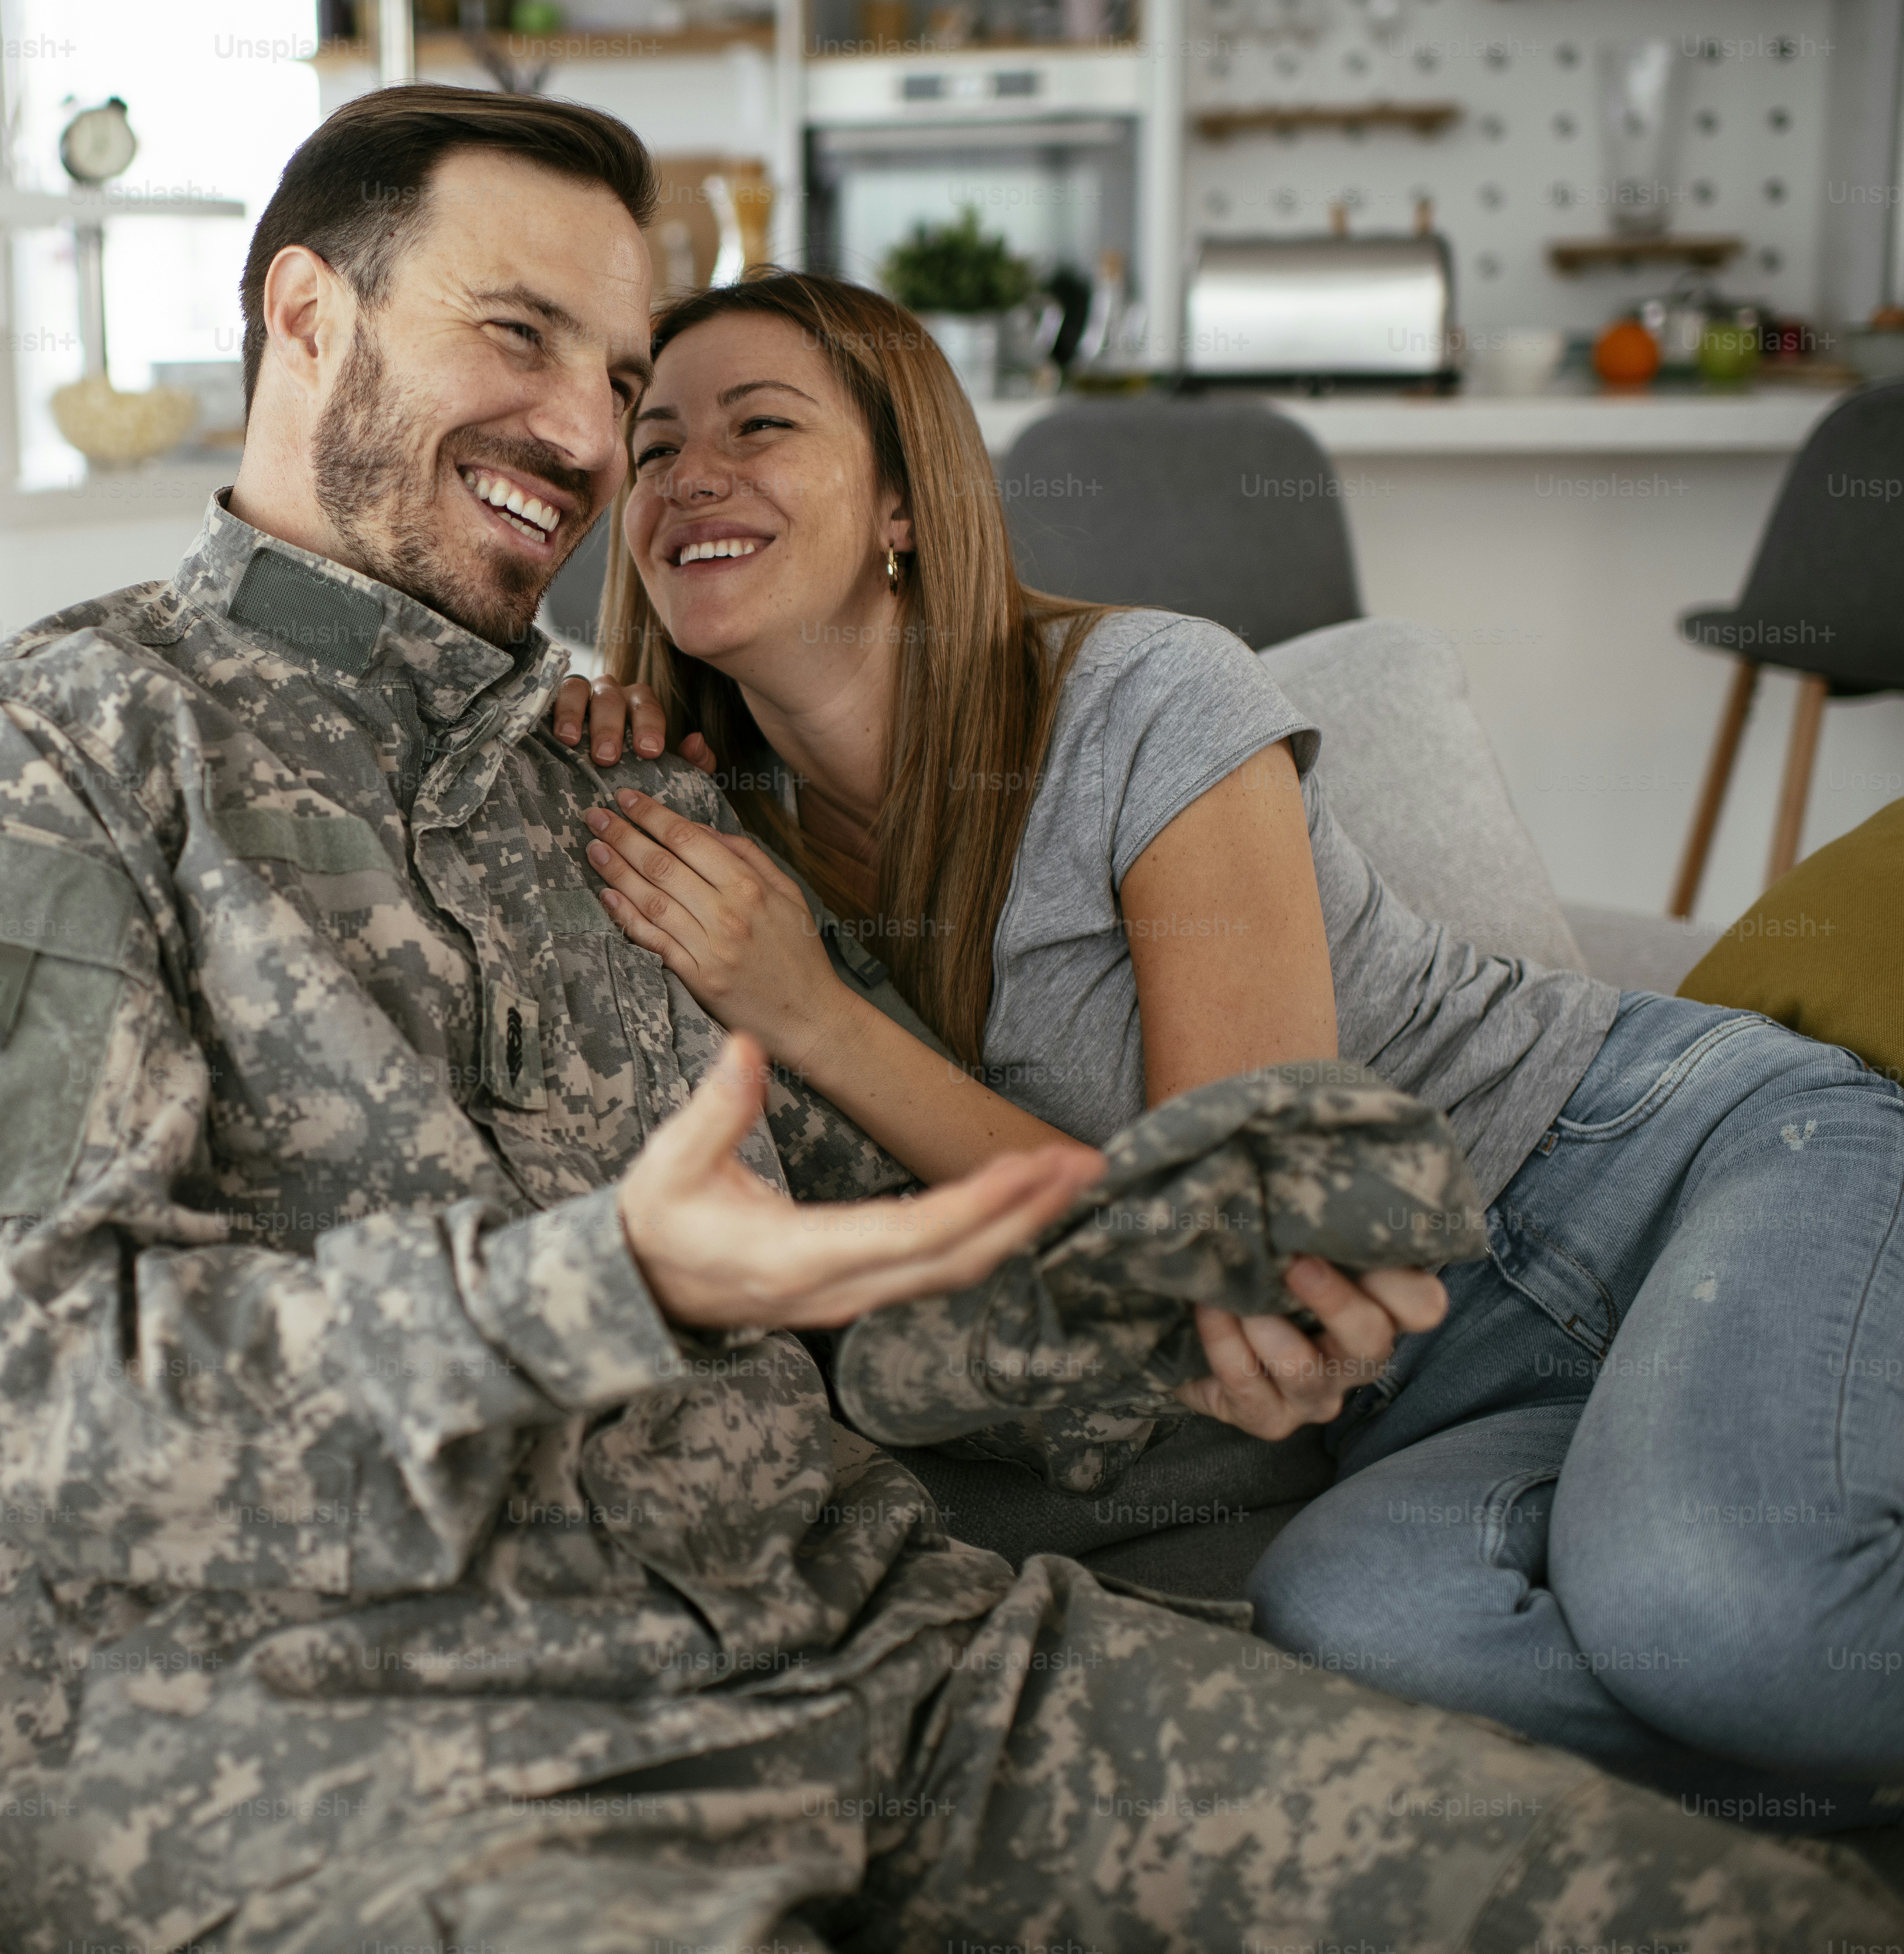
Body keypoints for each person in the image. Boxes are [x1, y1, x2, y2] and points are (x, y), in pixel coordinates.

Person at [0, 86, 1903, 1951]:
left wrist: (1165, 1297)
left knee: (1732, 1918)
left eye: (622, 376)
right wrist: (594, 1285)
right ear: (305, 319)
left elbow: (878, 1308)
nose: (595, 441)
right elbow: (59, 1417)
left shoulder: (621, 788)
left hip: (887, 1669)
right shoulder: (30, 775)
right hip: (347, 1758)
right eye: (522, 338)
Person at [557, 266, 1904, 1829]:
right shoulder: (727, 846)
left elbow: (1245, 1217)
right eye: (651, 448)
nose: (686, 473)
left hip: (1677, 1163)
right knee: (1363, 1633)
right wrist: (577, 737)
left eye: (760, 425)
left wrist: (816, 1016)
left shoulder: (1143, 694)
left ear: (905, 504)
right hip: (1428, 1386)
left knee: (1721, 1605)